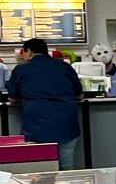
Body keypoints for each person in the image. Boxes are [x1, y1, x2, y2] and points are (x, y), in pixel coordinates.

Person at [6, 39, 85, 170]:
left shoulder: (21, 70)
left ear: (29, 52)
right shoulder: (64, 67)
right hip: (66, 127)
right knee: (66, 168)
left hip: (37, 129)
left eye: (23, 52)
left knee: (39, 170)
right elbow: (79, 95)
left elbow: (13, 98)